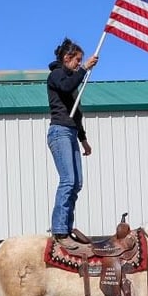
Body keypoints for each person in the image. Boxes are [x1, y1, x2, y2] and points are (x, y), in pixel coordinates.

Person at [46, 37, 98, 242]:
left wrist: (83, 139)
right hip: (59, 132)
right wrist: (84, 69)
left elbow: (75, 114)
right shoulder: (56, 75)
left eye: (80, 61)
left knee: (77, 183)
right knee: (67, 180)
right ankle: (59, 229)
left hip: (71, 132)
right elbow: (67, 87)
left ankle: (67, 226)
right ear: (67, 58)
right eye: (77, 60)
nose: (78, 63)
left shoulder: (71, 78)